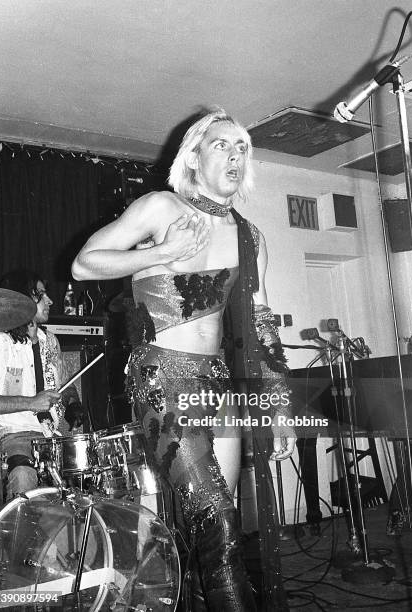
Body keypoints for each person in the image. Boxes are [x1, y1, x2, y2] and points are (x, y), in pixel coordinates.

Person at [72, 109, 295, 611]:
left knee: (220, 524)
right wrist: (161, 252)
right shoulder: (160, 207)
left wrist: (277, 412)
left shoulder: (250, 236)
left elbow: (261, 327)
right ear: (194, 157)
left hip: (216, 384)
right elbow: (85, 263)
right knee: (214, 517)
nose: (236, 155)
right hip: (161, 378)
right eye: (223, 145)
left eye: (242, 148)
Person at [0, 269, 84, 499]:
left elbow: (64, 384)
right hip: (16, 437)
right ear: (20, 299)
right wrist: (31, 402)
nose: (49, 300)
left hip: (52, 436)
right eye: (40, 294)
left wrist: (73, 404)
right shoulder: (0, 343)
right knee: (23, 475)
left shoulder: (50, 341)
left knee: (85, 477)